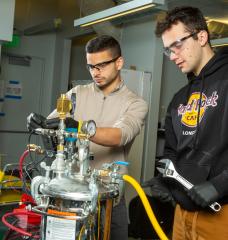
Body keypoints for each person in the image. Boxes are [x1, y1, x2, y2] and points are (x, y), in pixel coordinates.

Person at [27, 35, 148, 240]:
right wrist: (39, 123)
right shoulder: (77, 93)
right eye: (91, 66)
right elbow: (54, 124)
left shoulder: (135, 103)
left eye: (101, 65)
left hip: (109, 198)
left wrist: (81, 127)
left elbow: (119, 135)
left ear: (119, 62)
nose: (95, 72)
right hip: (71, 196)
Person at [148, 6, 228, 240]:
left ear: (201, 37)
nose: (173, 56)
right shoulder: (179, 98)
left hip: (222, 215)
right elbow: (172, 151)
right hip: (182, 214)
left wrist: (220, 185)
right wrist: (166, 181)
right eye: (167, 50)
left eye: (177, 45)